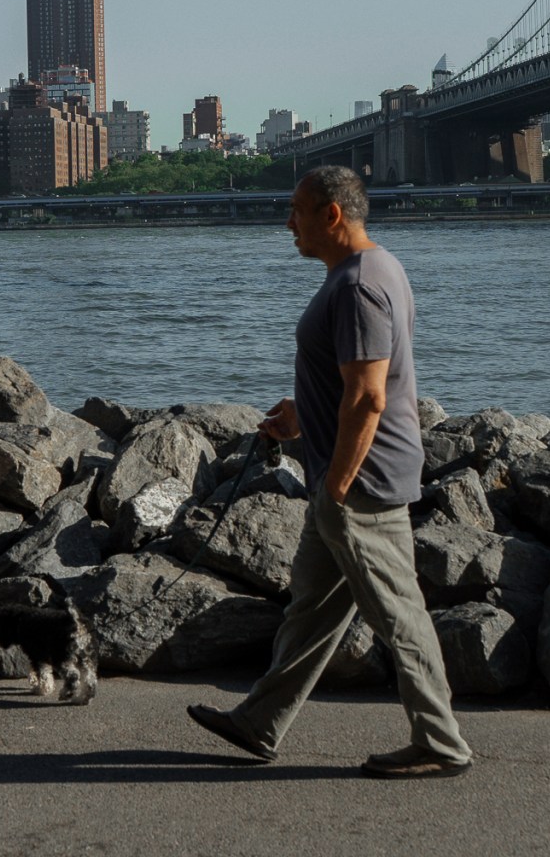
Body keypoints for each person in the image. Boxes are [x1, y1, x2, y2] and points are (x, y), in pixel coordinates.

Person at [187, 165, 472, 779]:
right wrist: (301, 415)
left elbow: (369, 397)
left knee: (398, 615)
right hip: (342, 475)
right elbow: (356, 383)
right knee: (311, 608)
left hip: (359, 483)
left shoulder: (358, 286)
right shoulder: (373, 269)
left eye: (296, 210)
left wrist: (338, 487)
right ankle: (260, 721)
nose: (287, 222)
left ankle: (442, 744)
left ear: (332, 215)